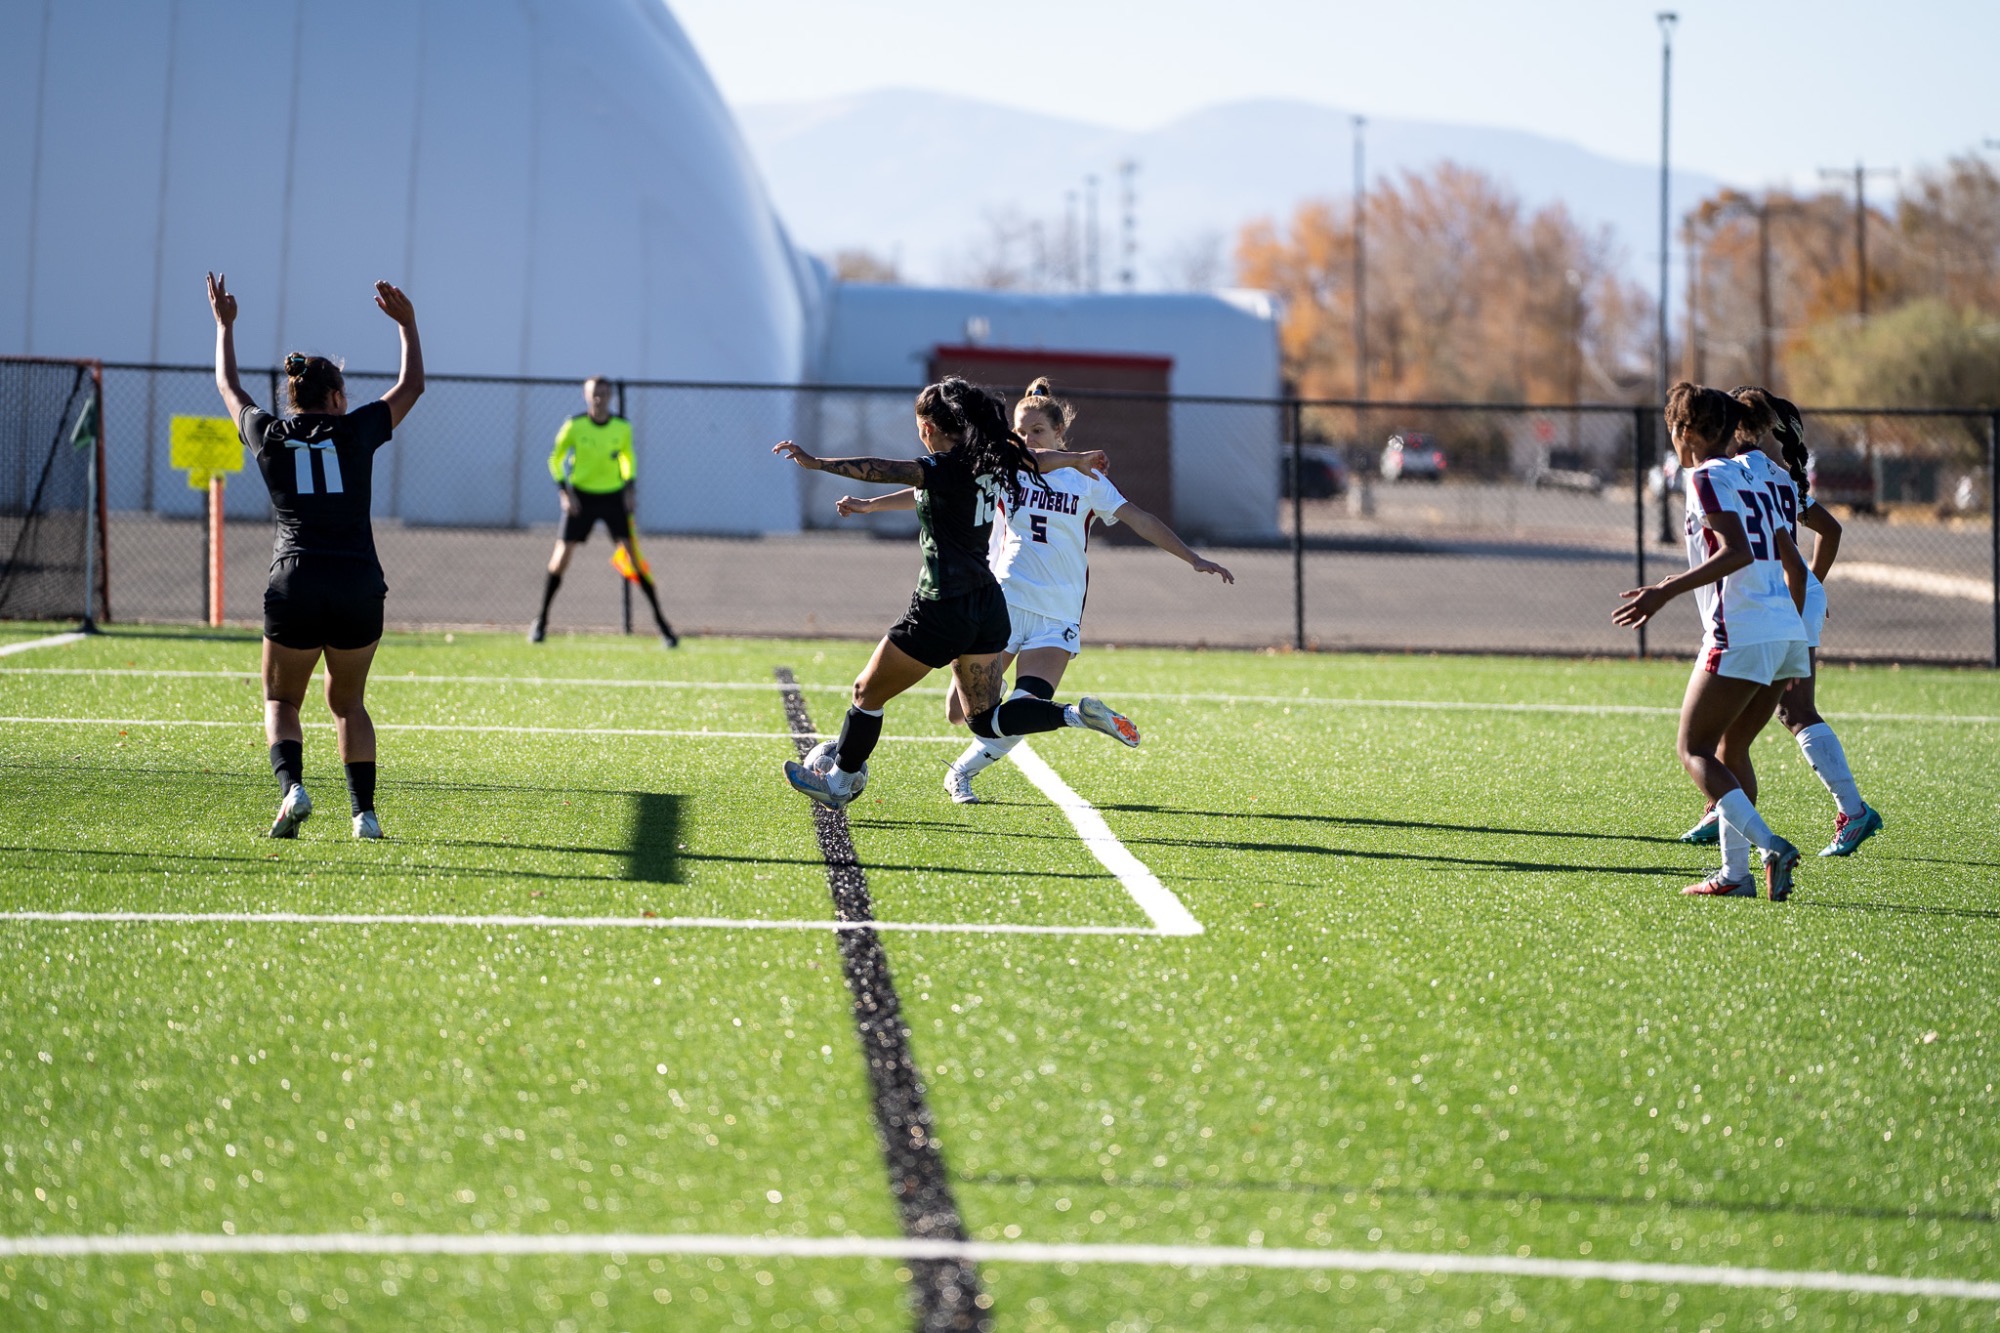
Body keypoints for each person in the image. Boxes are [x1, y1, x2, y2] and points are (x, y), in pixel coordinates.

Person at [834, 377, 1235, 803]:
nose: (1026, 439)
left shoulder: (1085, 479)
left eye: (1037, 431)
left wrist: (1192, 557)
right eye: (1020, 431)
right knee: (958, 712)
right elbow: (938, 486)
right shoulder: (1009, 469)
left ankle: (962, 773)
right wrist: (871, 505)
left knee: (1027, 706)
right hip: (1004, 602)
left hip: (1058, 612)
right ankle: (1063, 719)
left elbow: (1140, 519)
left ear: (1060, 433)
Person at [770, 377, 1141, 809]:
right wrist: (1076, 459)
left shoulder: (943, 467)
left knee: (866, 694)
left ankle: (838, 782)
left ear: (928, 428)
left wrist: (817, 463)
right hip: (988, 607)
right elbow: (1036, 458)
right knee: (984, 721)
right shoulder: (994, 458)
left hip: (941, 606)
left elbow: (882, 468)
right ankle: (1073, 714)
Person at [206, 271, 423, 839]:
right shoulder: (356, 431)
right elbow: (412, 386)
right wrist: (408, 325)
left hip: (295, 578)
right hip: (357, 582)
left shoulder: (270, 433)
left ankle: (292, 790)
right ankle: (364, 815)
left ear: (293, 397)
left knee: (281, 699)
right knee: (348, 703)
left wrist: (225, 327)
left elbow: (229, 388)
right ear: (336, 398)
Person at [1613, 383, 1808, 900]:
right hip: (1781, 630)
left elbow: (1737, 550)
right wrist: (1791, 627)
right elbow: (1791, 558)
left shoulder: (1704, 477)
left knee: (1693, 748)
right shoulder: (1754, 474)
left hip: (1740, 630)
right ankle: (1735, 875)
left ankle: (1770, 846)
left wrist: (1664, 590)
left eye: (1672, 431)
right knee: (1730, 749)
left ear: (1686, 430)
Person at [1678, 388, 1883, 857]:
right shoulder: (1779, 477)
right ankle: (1727, 818)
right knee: (1747, 724)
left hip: (1775, 601)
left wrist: (1806, 589)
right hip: (1787, 595)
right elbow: (1827, 530)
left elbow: (1760, 544)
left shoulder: (1734, 473)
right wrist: (1812, 586)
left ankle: (1848, 811)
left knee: (1789, 712)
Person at [530, 377, 678, 648]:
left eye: (604, 393)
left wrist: (629, 489)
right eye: (594, 394)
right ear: (586, 396)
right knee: (560, 558)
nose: (599, 398)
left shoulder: (622, 427)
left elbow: (627, 458)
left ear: (610, 396)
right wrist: (565, 492)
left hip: (613, 497)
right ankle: (541, 621)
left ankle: (663, 625)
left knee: (634, 559)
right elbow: (555, 458)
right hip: (581, 498)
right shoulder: (574, 426)